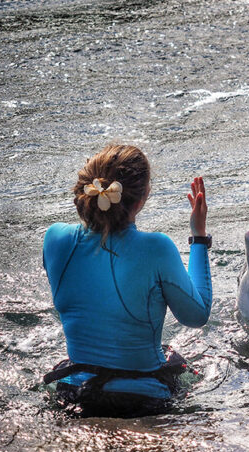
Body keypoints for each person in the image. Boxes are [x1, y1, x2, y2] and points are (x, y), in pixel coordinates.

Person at [42, 144, 212, 417]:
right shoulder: (156, 247)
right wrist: (199, 237)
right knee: (183, 365)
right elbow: (197, 315)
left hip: (75, 392)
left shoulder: (55, 238)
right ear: (141, 199)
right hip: (142, 399)